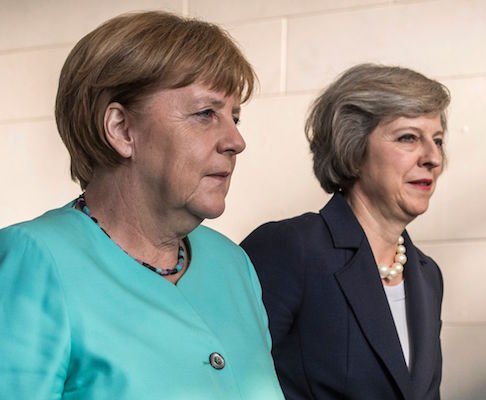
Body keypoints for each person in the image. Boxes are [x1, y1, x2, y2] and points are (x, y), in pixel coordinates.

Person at [0, 11, 284, 399]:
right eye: (206, 114)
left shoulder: (232, 264)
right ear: (121, 130)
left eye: (234, 117)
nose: (236, 140)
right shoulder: (36, 259)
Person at [240, 63, 449, 400]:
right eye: (408, 137)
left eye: (437, 140)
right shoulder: (292, 249)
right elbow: (231, 384)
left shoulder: (428, 275)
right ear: (352, 147)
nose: (433, 157)